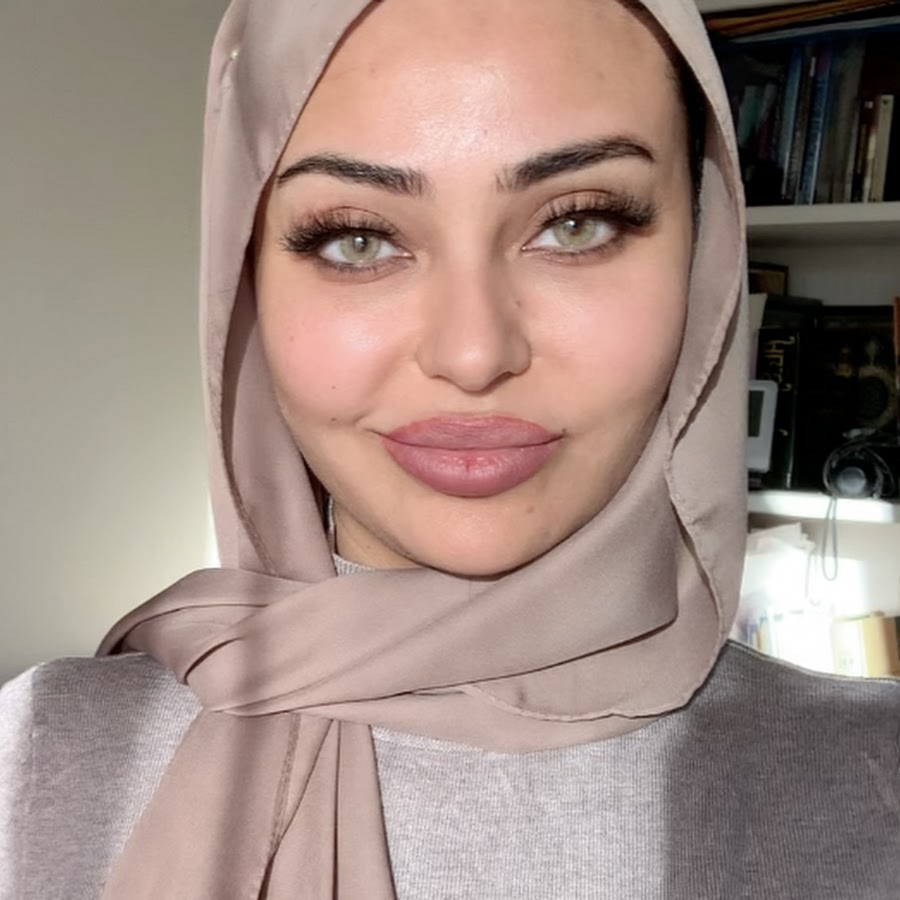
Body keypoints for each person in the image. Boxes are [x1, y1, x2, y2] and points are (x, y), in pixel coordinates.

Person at [1, 0, 898, 897]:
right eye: (357, 239)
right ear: (247, 283)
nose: (473, 355)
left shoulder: (875, 779)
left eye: (578, 223)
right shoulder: (38, 759)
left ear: (704, 258)